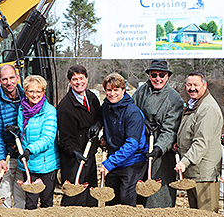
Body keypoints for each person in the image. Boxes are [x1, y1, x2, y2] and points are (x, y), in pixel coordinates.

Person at [132, 59, 184, 208]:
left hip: (161, 153)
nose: (158, 78)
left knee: (159, 196)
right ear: (149, 75)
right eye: (154, 74)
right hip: (141, 146)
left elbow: (170, 129)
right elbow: (131, 110)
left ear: (167, 77)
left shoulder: (174, 99)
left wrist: (158, 149)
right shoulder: (141, 91)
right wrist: (141, 123)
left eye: (162, 75)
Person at [175, 71, 223, 212]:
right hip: (194, 171)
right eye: (189, 85)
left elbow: (201, 141)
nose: (192, 88)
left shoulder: (207, 108)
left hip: (204, 174)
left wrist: (185, 161)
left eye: (196, 84)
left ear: (204, 85)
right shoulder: (194, 105)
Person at [100, 73, 147, 207]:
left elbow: (132, 144)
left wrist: (109, 163)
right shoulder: (106, 108)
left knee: (126, 198)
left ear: (123, 90)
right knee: (110, 199)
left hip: (133, 160)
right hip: (115, 158)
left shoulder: (133, 112)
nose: (112, 93)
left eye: (116, 90)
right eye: (109, 90)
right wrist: (104, 139)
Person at [57, 65, 101, 207]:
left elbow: (99, 117)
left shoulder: (92, 97)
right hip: (73, 159)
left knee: (91, 195)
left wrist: (97, 125)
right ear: (70, 82)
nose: (78, 82)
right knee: (75, 197)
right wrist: (76, 153)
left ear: (87, 79)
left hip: (90, 155)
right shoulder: (65, 107)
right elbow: (65, 139)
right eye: (74, 79)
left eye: (81, 78)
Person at [0, 64, 25, 208]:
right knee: (3, 196)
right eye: (5, 79)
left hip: (20, 154)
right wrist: (0, 158)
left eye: (12, 78)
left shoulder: (26, 96)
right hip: (3, 154)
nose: (9, 82)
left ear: (17, 77)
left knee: (22, 195)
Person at [18, 75, 60, 209]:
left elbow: (48, 138)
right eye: (31, 91)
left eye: (38, 91)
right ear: (25, 92)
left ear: (43, 92)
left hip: (45, 164)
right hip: (28, 164)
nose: (34, 95)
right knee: (30, 204)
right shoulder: (22, 109)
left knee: (46, 203)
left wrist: (30, 150)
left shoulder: (49, 111)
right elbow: (23, 134)